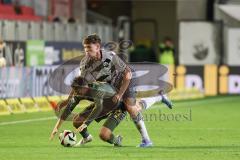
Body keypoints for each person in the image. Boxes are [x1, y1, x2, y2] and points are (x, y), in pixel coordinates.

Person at [78, 34, 173, 147]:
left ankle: (146, 141)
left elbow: (127, 74)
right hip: (112, 86)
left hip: (126, 79)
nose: (86, 51)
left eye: (89, 48)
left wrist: (119, 94)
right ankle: (158, 96)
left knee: (130, 107)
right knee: (136, 107)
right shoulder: (85, 63)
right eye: (85, 48)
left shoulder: (109, 57)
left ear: (97, 47)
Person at [50, 76, 168, 147]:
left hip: (118, 107)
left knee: (104, 135)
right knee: (77, 121)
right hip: (101, 106)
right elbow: (68, 109)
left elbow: (98, 108)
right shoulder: (80, 91)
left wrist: (86, 123)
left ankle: (117, 140)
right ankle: (87, 138)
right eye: (75, 91)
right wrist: (56, 127)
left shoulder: (96, 90)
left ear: (85, 87)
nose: (77, 93)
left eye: (78, 91)